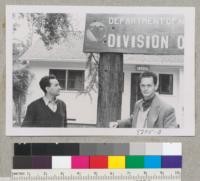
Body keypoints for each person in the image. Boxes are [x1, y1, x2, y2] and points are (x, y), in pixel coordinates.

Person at [112, 71, 177, 128]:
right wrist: (118, 123)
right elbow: (134, 119)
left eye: (149, 85)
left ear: (156, 86)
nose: (145, 89)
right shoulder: (138, 104)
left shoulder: (167, 109)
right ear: (140, 86)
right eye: (143, 85)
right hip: (135, 141)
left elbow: (171, 136)